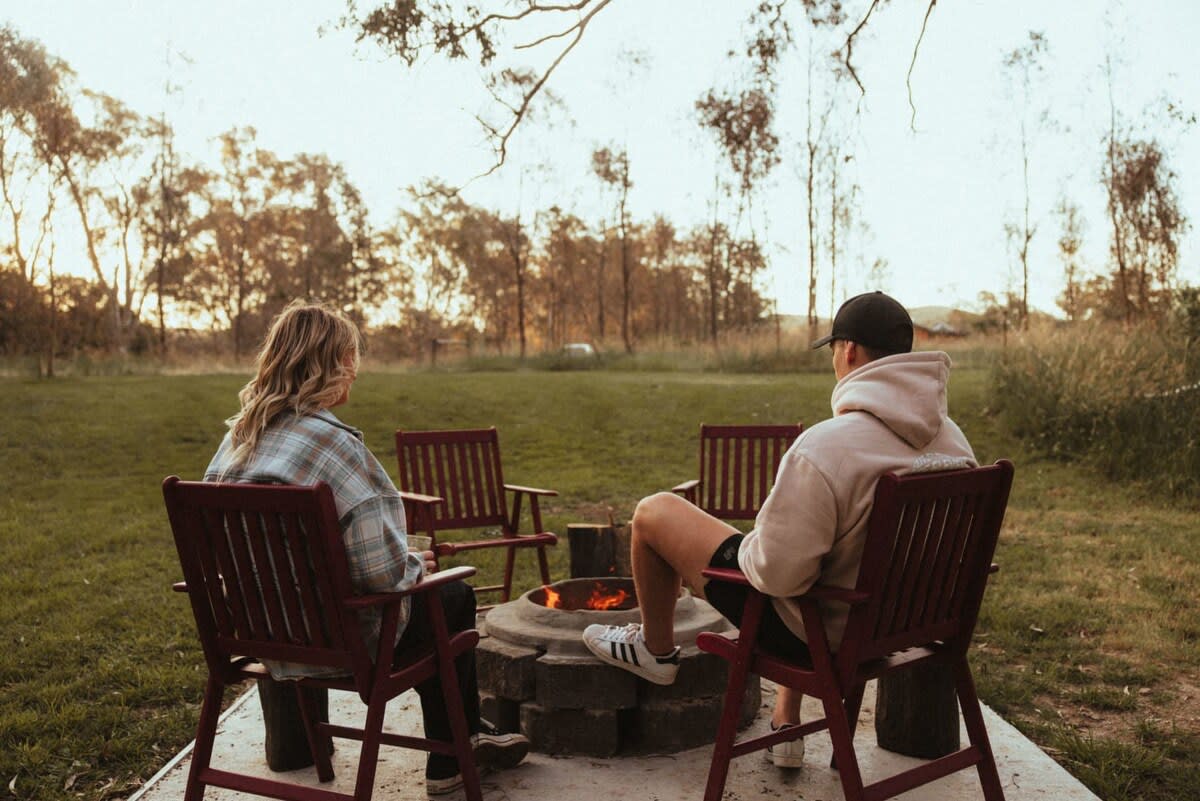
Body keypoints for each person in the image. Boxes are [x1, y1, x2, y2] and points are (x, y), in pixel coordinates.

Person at [582, 291, 976, 768]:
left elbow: (777, 578)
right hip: (903, 624)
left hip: (820, 636)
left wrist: (751, 544)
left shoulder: (827, 448)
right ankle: (784, 719)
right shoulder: (954, 442)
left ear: (847, 351)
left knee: (653, 511)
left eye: (833, 350)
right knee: (811, 557)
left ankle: (656, 651)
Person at [205, 300, 528, 795]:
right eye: (351, 361)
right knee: (452, 598)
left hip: (257, 632)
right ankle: (451, 760)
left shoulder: (233, 442)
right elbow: (381, 578)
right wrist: (413, 565)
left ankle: (308, 743)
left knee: (427, 600)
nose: (355, 375)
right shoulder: (338, 448)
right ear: (332, 367)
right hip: (339, 639)